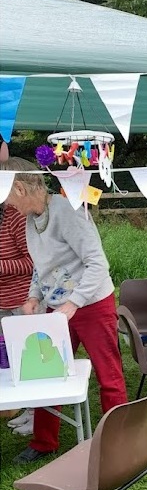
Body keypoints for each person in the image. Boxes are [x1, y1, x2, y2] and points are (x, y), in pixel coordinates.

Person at [2, 156, 128, 464]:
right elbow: (41, 267)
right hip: (58, 307)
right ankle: (44, 442)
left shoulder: (67, 210)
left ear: (18, 188)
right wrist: (34, 296)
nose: (3, 203)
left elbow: (98, 263)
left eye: (3, 194)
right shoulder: (32, 219)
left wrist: (75, 303)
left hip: (92, 304)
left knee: (107, 373)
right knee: (47, 373)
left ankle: (119, 440)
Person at [0, 194, 37, 435]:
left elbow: (33, 261)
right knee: (11, 361)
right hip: (2, 302)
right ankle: (25, 409)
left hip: (23, 301)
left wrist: (1, 266)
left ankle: (37, 415)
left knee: (31, 362)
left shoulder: (13, 217)